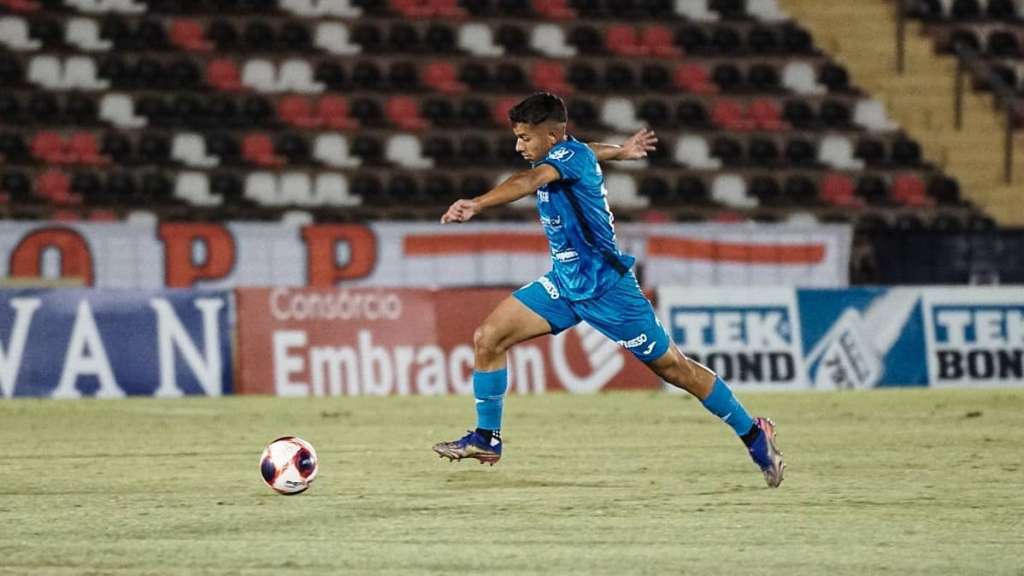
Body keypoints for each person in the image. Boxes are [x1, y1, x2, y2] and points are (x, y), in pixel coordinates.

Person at [431, 92, 784, 487]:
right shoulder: (572, 151)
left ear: (552, 136)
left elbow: (531, 180)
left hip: (608, 289)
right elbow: (588, 150)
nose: (518, 146)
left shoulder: (560, 162)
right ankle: (487, 437)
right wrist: (621, 151)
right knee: (488, 338)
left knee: (675, 369)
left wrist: (477, 204)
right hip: (565, 283)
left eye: (525, 138)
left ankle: (754, 434)